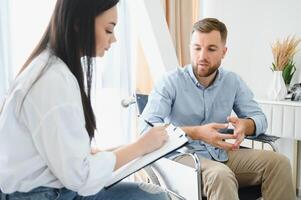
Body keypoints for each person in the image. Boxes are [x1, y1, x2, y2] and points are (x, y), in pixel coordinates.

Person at [0, 0, 171, 199]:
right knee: (153, 197)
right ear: (79, 24)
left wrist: (127, 148)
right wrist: (139, 147)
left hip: (50, 188)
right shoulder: (52, 82)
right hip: (42, 194)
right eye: (108, 30)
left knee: (151, 194)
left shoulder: (52, 69)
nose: (114, 39)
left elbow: (66, 157)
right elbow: (80, 176)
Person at [140, 18, 295, 200]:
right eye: (197, 48)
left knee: (280, 163)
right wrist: (196, 133)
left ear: (224, 52)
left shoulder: (232, 81)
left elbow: (259, 118)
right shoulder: (170, 82)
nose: (202, 56)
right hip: (181, 158)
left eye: (211, 49)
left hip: (220, 154)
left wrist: (247, 125)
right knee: (221, 175)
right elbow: (146, 129)